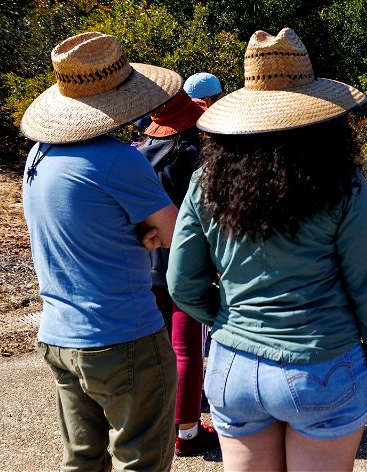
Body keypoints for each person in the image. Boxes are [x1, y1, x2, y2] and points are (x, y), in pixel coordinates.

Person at [167, 28, 367, 471]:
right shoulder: (341, 182)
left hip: (233, 365)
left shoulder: (206, 181)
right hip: (323, 364)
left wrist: (225, 315)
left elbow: (181, 281)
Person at [20, 32, 181, 471]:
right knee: (142, 461)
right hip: (122, 335)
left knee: (82, 461)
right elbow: (175, 234)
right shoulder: (116, 160)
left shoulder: (38, 155)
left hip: (58, 334)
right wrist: (152, 231)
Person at [137, 90, 221, 458]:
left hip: (144, 262)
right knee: (186, 349)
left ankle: (156, 422)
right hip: (188, 265)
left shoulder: (136, 156)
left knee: (153, 349)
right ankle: (187, 432)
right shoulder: (195, 157)